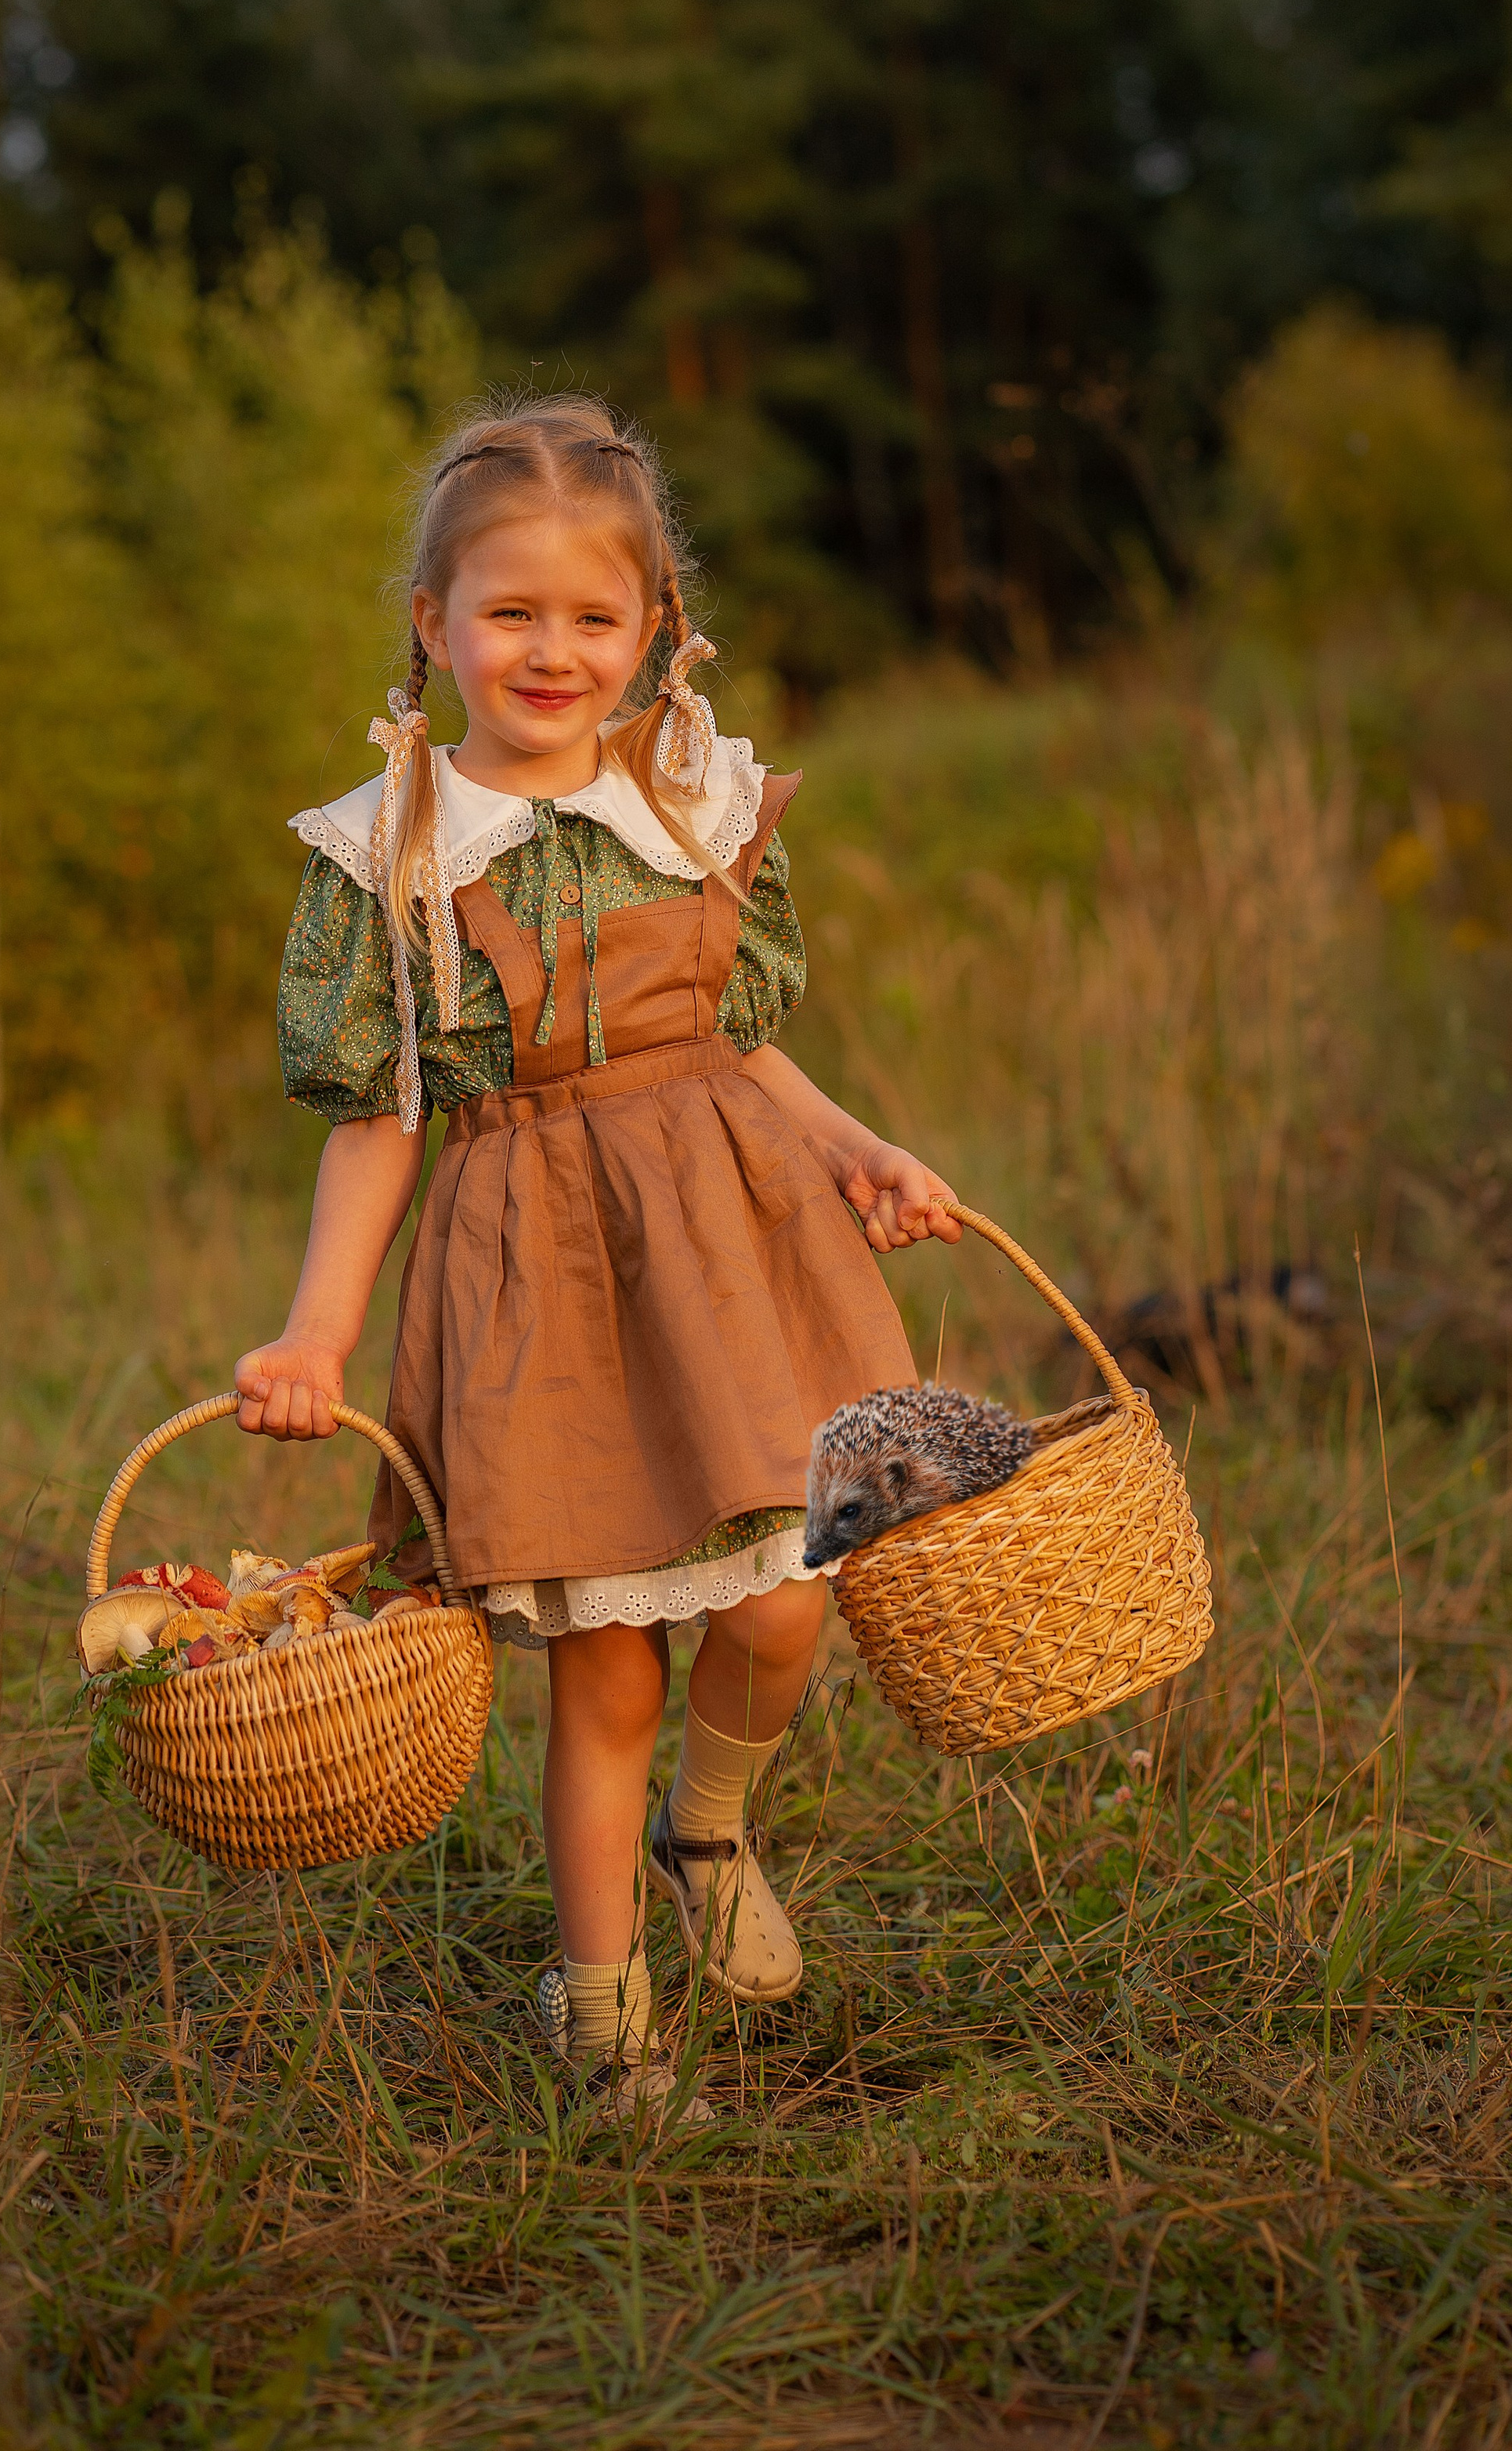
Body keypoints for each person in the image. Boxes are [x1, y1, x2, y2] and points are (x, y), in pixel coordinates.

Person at [236, 394, 960, 2114]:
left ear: (653, 630)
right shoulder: (394, 847)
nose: (549, 652)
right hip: (538, 1270)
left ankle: (704, 1837)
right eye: (508, 614)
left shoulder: (686, 797)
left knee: (791, 1602)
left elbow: (735, 1040)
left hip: (729, 1240)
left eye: (590, 617)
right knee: (607, 1656)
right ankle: (600, 2008)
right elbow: (376, 1118)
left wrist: (854, 1144)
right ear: (433, 626)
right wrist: (313, 1336)